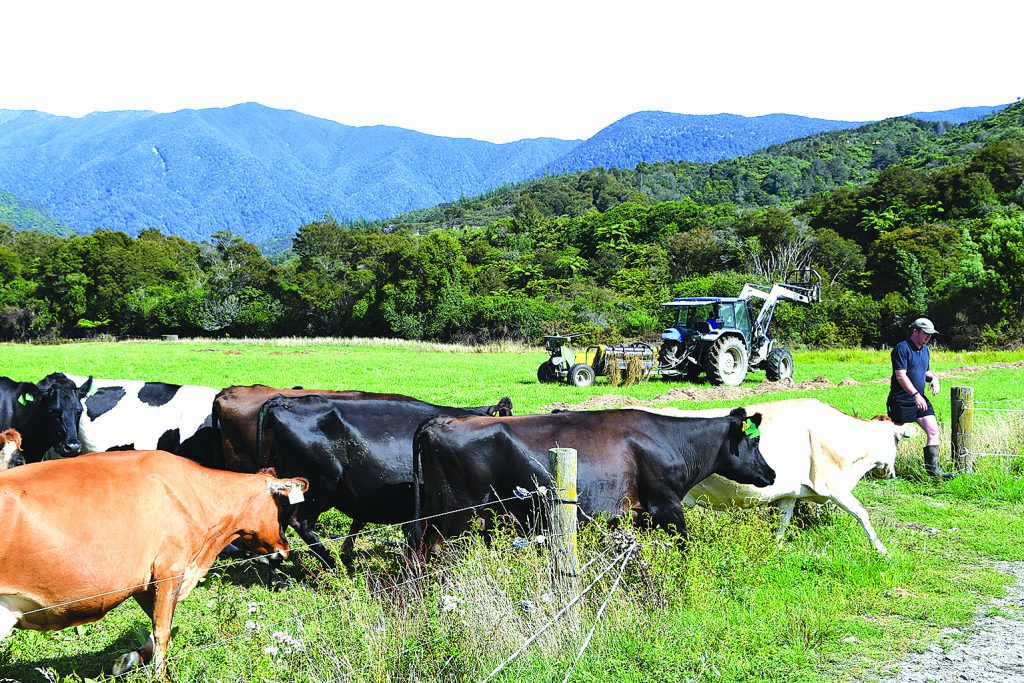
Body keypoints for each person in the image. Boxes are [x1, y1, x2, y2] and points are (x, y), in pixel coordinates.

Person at [887, 317, 952, 478]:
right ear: (915, 331)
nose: (929, 336)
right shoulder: (901, 349)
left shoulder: (925, 350)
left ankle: (934, 473)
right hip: (901, 400)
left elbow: (924, 371)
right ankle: (886, 470)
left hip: (919, 399)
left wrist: (934, 378)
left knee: (933, 430)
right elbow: (901, 376)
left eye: (931, 334)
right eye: (926, 333)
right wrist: (915, 395)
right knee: (894, 436)